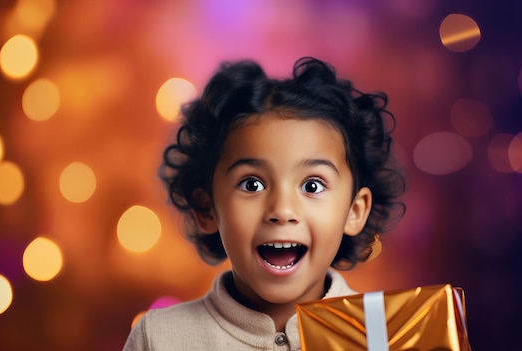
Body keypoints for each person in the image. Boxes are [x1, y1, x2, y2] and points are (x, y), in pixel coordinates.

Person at [123, 57, 405, 350]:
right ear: (206, 208)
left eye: (312, 186)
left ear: (354, 211)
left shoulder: (389, 335)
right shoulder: (159, 338)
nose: (282, 210)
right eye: (252, 185)